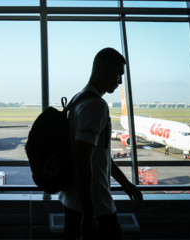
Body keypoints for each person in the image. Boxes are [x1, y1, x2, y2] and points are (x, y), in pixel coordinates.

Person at [59, 48, 143, 240]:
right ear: (103, 70)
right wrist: (88, 217)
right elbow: (82, 160)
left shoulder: (78, 99)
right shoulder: (96, 106)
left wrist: (125, 184)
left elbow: (97, 155)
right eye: (118, 74)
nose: (120, 81)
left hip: (73, 201)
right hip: (94, 206)